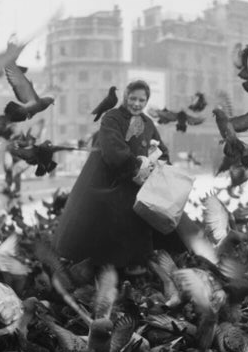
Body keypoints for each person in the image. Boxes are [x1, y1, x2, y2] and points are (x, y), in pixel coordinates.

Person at [53, 80, 198, 271]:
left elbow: (162, 150)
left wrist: (159, 161)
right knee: (111, 227)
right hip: (112, 181)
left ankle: (146, 262)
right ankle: (112, 267)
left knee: (162, 221)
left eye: (141, 100)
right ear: (125, 97)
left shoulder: (147, 123)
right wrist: (136, 164)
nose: (137, 104)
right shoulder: (111, 118)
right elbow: (113, 149)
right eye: (133, 99)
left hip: (140, 184)